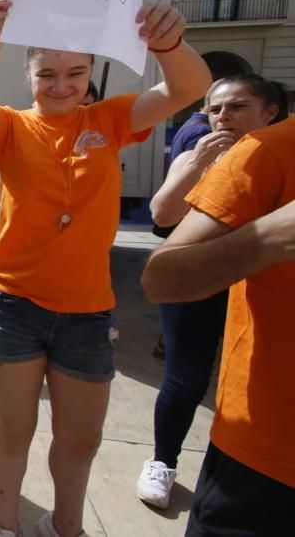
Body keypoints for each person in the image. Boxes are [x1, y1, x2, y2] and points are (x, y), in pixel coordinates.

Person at [0, 0, 211, 537]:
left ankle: (66, 527)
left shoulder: (110, 120)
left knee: (80, 440)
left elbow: (190, 86)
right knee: (13, 430)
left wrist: (168, 43)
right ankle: (5, 525)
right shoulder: (13, 126)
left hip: (88, 312)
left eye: (75, 73)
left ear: (90, 72)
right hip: (12, 303)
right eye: (47, 75)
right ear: (30, 77)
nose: (61, 86)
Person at [137, 75, 288, 509]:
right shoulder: (195, 154)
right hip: (198, 280)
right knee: (186, 378)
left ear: (269, 112)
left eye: (236, 107)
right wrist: (195, 166)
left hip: (262, 289)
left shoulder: (276, 156)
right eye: (215, 109)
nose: (223, 117)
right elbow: (161, 217)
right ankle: (163, 461)